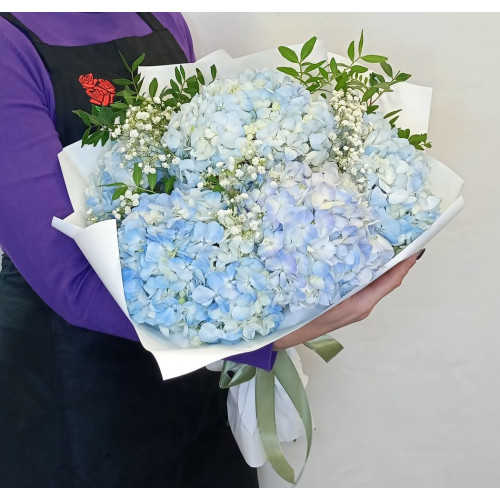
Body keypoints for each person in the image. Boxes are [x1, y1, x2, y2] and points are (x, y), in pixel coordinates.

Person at [0, 12, 423, 487]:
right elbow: (69, 278)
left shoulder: (159, 18)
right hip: (80, 385)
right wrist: (261, 337)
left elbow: (202, 173)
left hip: (199, 366)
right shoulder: (8, 48)